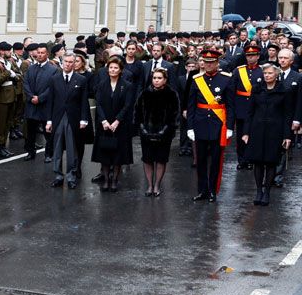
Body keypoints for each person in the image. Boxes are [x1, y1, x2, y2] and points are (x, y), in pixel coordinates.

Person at [186, 49, 235, 203]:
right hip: (200, 124)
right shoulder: (196, 79)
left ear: (217, 63)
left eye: (211, 62)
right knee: (200, 161)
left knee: (215, 160)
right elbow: (191, 105)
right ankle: (202, 191)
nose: (208, 65)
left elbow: (231, 106)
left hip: (218, 125)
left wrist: (230, 127)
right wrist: (190, 127)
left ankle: (213, 191)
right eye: (206, 62)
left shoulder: (226, 79)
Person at [243, 63, 293, 206]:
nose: (267, 75)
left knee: (271, 162)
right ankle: (259, 191)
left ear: (276, 75)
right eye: (265, 73)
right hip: (257, 129)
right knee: (257, 162)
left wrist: (287, 135)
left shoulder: (284, 91)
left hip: (275, 131)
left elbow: (287, 115)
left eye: (270, 73)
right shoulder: (257, 89)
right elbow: (250, 112)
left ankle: (267, 193)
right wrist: (246, 132)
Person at [46, 51, 90, 189]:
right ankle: (58, 175)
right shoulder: (54, 79)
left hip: (73, 118)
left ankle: (71, 176)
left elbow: (84, 102)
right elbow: (50, 101)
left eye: (71, 62)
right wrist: (49, 121)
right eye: (66, 62)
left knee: (72, 148)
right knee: (57, 147)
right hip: (58, 118)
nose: (68, 64)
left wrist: (84, 120)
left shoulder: (81, 80)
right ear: (62, 62)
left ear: (74, 63)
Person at [91, 57, 135, 192]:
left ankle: (115, 180)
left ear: (121, 70)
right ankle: (106, 180)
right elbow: (98, 104)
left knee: (118, 155)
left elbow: (127, 105)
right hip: (104, 124)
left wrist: (117, 121)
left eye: (116, 68)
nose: (113, 70)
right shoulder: (101, 84)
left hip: (120, 124)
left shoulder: (127, 85)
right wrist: (103, 121)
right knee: (104, 154)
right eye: (110, 67)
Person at [134, 68, 180, 196]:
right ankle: (149, 185)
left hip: (164, 134)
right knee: (147, 159)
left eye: (159, 78)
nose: (156, 80)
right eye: (154, 78)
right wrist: (142, 129)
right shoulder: (144, 94)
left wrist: (165, 131)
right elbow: (137, 113)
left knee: (160, 160)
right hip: (146, 133)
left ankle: (157, 185)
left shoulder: (171, 94)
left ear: (165, 80)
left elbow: (174, 115)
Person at [23, 43, 59, 162]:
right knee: (30, 131)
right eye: (38, 53)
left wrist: (40, 98)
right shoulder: (31, 68)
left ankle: (48, 154)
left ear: (47, 54)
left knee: (47, 131)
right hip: (31, 103)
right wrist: (31, 96)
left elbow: (52, 88)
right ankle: (30, 152)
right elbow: (26, 83)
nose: (39, 55)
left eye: (42, 53)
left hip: (45, 105)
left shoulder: (53, 69)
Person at [231, 45, 263, 170]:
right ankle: (241, 159)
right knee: (240, 136)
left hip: (256, 108)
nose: (250, 58)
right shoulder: (238, 71)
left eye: (253, 55)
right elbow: (232, 90)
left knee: (253, 135)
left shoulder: (262, 71)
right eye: (248, 55)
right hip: (241, 107)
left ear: (258, 56)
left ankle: (251, 159)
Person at [274, 48, 299, 187]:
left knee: (285, 146)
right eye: (280, 58)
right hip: (273, 117)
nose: (282, 60)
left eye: (285, 58)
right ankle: (270, 173)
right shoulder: (273, 74)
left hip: (289, 117)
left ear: (291, 61)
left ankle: (278, 175)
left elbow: (299, 100)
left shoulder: (297, 77)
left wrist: (297, 119)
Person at [0, 42, 16, 158]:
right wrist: (8, 73)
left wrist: (13, 74)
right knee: (0, 123)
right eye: (7, 50)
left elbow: (19, 76)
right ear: (1, 51)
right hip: (1, 97)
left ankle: (3, 145)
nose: (10, 52)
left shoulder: (9, 62)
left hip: (11, 95)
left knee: (7, 122)